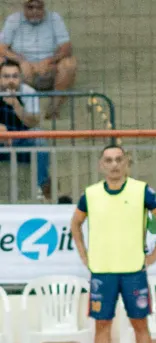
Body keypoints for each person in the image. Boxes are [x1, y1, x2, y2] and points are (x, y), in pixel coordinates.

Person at [70, 144, 156, 343]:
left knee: (140, 324)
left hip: (133, 271)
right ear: (101, 165)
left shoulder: (141, 191)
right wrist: (84, 255)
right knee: (102, 326)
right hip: (102, 272)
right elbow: (76, 224)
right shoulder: (90, 194)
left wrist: (155, 254)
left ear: (127, 163)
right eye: (108, 160)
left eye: (118, 160)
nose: (114, 164)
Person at [0, 0, 76, 119]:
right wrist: (21, 61)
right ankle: (9, 104)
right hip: (21, 71)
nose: (35, 11)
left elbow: (67, 48)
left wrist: (49, 61)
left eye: (39, 7)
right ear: (24, 7)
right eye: (30, 7)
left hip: (48, 69)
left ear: (44, 7)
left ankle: (54, 107)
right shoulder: (13, 20)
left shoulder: (54, 18)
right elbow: (1, 48)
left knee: (69, 63)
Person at [0, 57, 49, 199]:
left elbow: (32, 123)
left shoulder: (28, 92)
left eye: (15, 76)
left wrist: (16, 105)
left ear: (20, 78)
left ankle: (41, 185)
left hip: (20, 141)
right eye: (6, 76)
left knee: (39, 137)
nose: (11, 80)